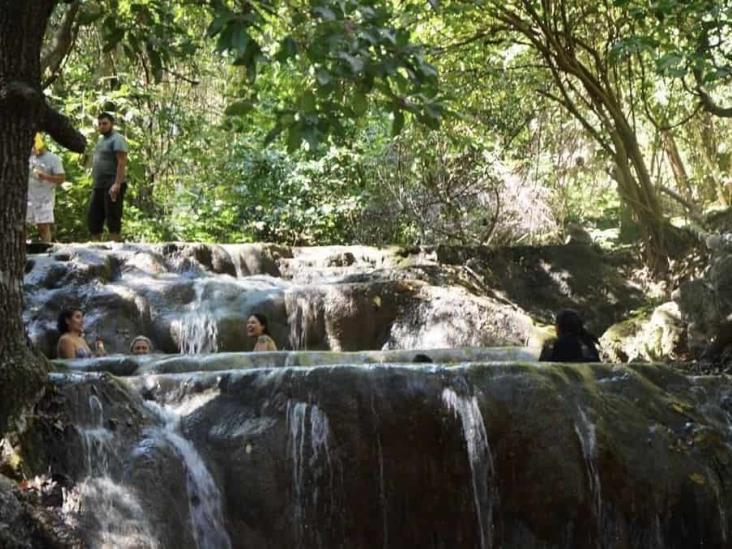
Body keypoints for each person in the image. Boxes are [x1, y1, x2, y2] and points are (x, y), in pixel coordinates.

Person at [88, 112, 128, 241]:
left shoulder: (117, 139)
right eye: (99, 124)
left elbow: (122, 162)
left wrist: (117, 184)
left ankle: (115, 250)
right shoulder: (100, 141)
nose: (102, 126)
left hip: (112, 182)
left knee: (113, 217)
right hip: (98, 184)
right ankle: (96, 248)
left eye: (105, 123)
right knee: (93, 216)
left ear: (112, 124)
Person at [27, 133, 65, 242]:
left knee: (43, 227)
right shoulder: (28, 157)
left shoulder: (53, 158)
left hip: (45, 198)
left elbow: (61, 178)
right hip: (28, 197)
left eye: (37, 147)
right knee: (22, 227)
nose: (35, 151)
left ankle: (46, 250)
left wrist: (45, 177)